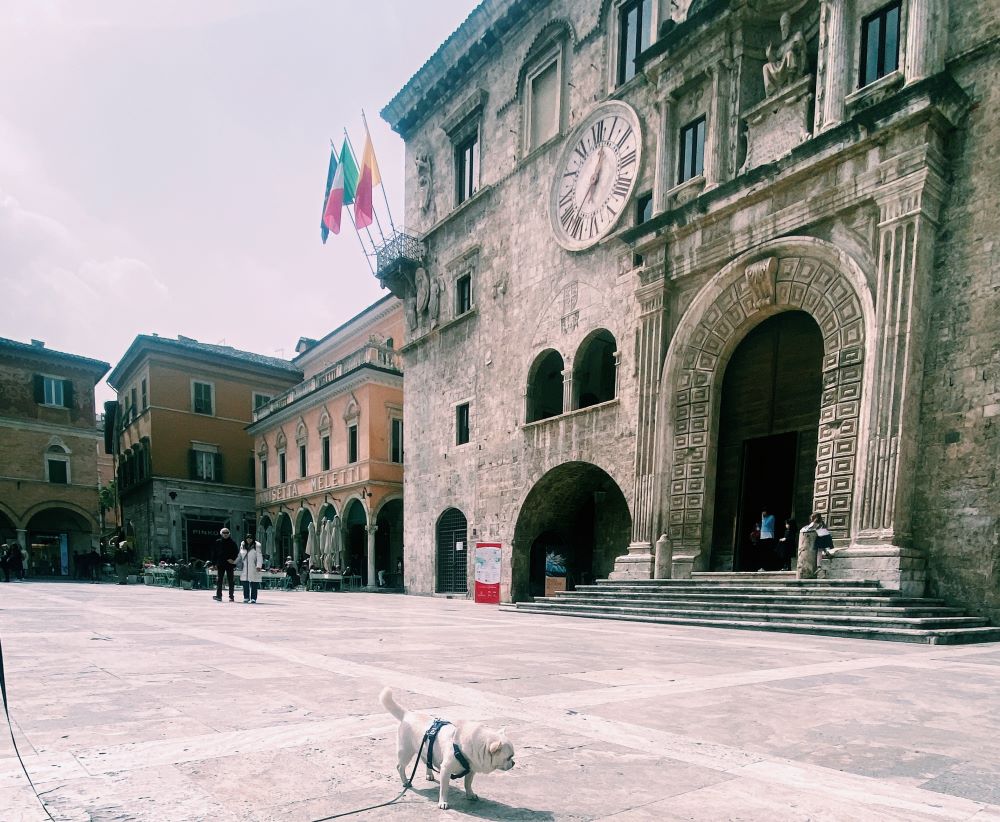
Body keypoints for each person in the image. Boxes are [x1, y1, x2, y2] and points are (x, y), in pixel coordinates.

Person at [763, 11, 807, 96]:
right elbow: (776, 59)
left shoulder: (796, 35)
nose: (783, 29)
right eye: (781, 27)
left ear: (789, 25)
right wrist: (769, 55)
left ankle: (790, 82)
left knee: (789, 54)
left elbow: (801, 46)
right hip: (783, 67)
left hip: (794, 61)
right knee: (766, 67)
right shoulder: (782, 46)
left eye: (784, 26)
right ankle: (771, 91)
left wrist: (796, 44)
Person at [212, 527, 239, 602]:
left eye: (227, 533)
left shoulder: (232, 542)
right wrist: (213, 564)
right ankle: (219, 596)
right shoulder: (218, 542)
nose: (225, 534)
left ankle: (231, 596)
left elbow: (236, 553)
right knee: (219, 580)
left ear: (229, 534)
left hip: (229, 564)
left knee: (231, 581)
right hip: (220, 563)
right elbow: (214, 553)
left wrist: (233, 559)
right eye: (224, 533)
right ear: (221, 533)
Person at [237, 534, 264, 604]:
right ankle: (246, 597)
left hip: (253, 566)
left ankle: (253, 598)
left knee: (254, 583)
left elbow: (259, 556)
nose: (249, 539)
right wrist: (237, 563)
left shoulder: (256, 545)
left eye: (250, 538)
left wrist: (259, 566)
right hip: (245, 566)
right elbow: (240, 555)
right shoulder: (243, 545)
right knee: (245, 583)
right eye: (247, 538)